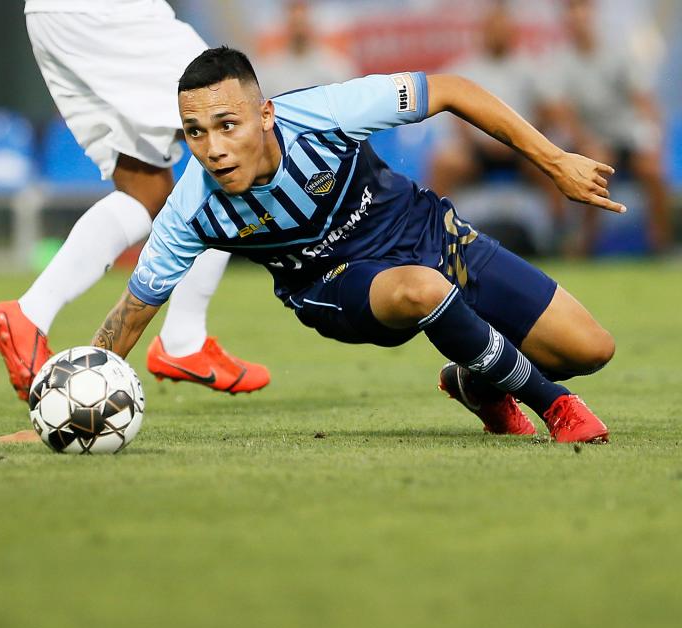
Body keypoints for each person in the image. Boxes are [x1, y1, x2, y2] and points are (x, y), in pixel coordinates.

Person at [67, 45, 621, 448]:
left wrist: (556, 162)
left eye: (227, 124)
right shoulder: (191, 208)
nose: (212, 149)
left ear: (265, 115)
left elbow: (451, 89)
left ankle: (476, 382)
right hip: (335, 286)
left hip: (429, 232)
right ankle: (555, 404)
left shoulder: (327, 112)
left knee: (591, 349)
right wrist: (72, 409)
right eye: (195, 132)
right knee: (423, 290)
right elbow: (131, 315)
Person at [0, 1, 270, 404]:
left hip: (53, 17)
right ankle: (183, 341)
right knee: (230, 119)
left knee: (145, 191)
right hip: (107, 11)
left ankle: (28, 315)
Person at [540, 0, 672, 254]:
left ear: (593, 14)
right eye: (572, 10)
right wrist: (584, 142)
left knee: (653, 170)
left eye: (583, 9)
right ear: (566, 19)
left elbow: (645, 103)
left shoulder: (618, 53)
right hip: (590, 142)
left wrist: (656, 141)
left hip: (627, 137)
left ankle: (661, 245)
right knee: (597, 164)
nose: (579, 16)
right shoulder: (560, 61)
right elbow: (559, 112)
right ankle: (586, 244)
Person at [429, 1, 562, 223]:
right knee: (444, 163)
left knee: (554, 167)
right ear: (483, 32)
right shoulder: (466, 68)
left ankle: (560, 235)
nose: (498, 34)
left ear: (511, 32)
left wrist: (527, 140)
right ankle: (437, 231)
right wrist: (478, 143)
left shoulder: (529, 68)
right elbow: (455, 114)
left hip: (522, 149)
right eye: (493, 29)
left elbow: (547, 112)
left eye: (503, 29)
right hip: (478, 150)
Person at [254, 0, 355, 98]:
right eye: (295, 24)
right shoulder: (269, 69)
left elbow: (347, 100)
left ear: (311, 24)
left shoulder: (334, 65)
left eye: (302, 24)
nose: (299, 31)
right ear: (286, 26)